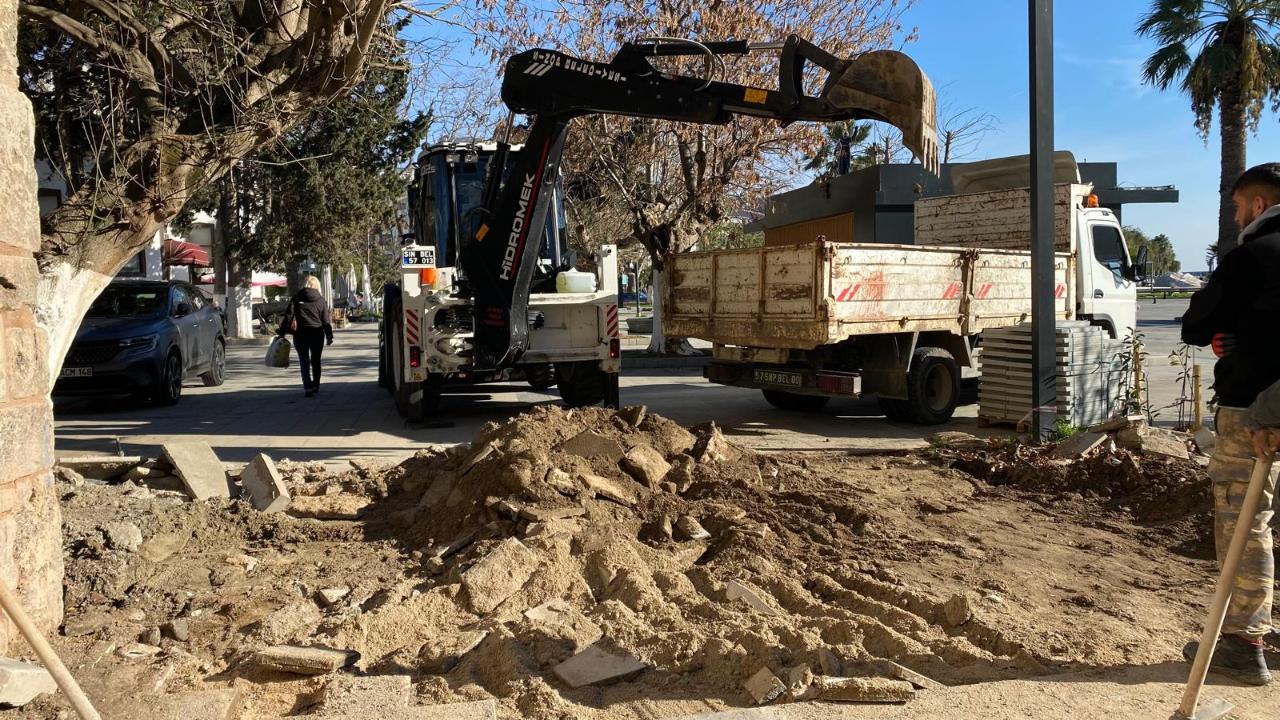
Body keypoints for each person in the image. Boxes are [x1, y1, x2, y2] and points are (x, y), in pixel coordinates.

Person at [1181, 163, 1280, 685]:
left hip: (1256, 415)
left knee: (1245, 524)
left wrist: (1232, 330)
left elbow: (1196, 323)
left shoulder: (1254, 256)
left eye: (1239, 207)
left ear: (1259, 206)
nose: (1237, 216)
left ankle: (1245, 642)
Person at [278, 275, 334, 397]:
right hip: (317, 334)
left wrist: (281, 333)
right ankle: (316, 385)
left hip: (300, 335)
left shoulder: (297, 298)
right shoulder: (321, 300)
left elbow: (288, 317)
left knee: (304, 361)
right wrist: (329, 336)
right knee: (316, 361)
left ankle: (308, 387)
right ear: (317, 286)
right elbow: (325, 321)